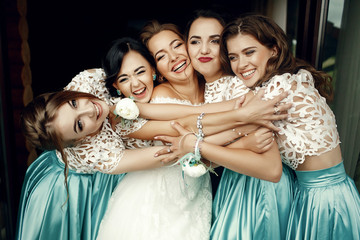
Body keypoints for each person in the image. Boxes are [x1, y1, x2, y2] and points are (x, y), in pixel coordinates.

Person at [219, 14, 360, 239]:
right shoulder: (289, 79)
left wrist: (195, 146)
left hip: (323, 202)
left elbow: (219, 125)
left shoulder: (279, 89)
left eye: (249, 52)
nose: (240, 64)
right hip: (316, 194)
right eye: (233, 56)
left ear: (274, 50)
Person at [184, 9, 296, 240]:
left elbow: (269, 162)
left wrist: (198, 147)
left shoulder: (242, 87)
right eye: (195, 41)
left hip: (257, 189)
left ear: (225, 49)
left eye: (214, 41)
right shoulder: (201, 89)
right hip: (232, 183)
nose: (203, 50)